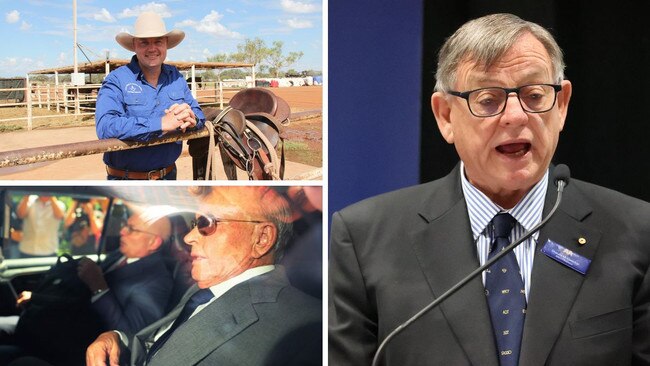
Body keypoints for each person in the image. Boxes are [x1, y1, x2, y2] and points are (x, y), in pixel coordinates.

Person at [328, 13, 650, 366]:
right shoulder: (364, 238)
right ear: (445, 116)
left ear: (561, 105)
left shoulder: (636, 231)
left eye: (534, 94)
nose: (515, 116)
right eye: (488, 100)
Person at [86, 186, 321, 366]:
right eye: (193, 223)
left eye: (206, 223)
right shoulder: (202, 291)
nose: (189, 237)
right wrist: (118, 339)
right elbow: (159, 346)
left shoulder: (310, 327)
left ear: (261, 239)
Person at [1, 209, 175, 366]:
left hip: (83, 350)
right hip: (64, 329)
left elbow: (132, 337)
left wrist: (99, 287)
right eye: (125, 226)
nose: (122, 232)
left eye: (132, 229)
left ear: (154, 242)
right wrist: (38, 298)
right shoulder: (118, 256)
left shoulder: (156, 283)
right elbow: (79, 299)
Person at [95, 11, 205, 180]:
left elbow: (198, 114)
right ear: (135, 45)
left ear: (166, 44)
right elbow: (106, 126)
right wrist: (161, 123)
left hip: (168, 175)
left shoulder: (175, 77)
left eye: (158, 41)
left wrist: (192, 120)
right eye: (144, 42)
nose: (152, 48)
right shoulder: (116, 79)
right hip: (127, 180)